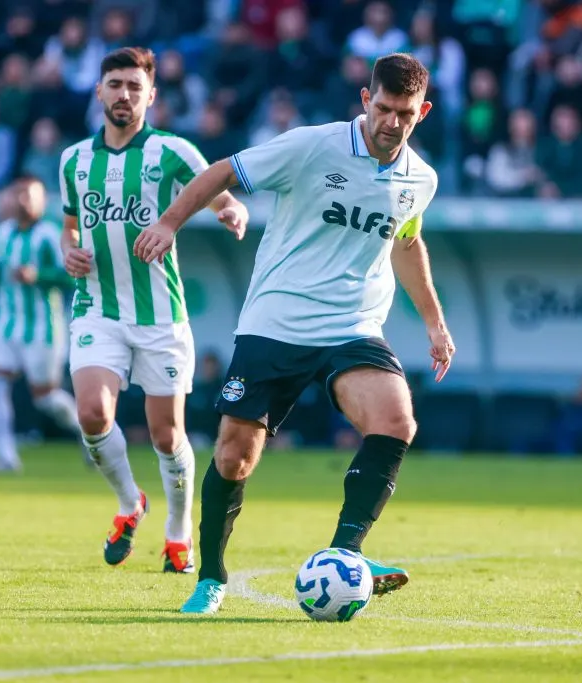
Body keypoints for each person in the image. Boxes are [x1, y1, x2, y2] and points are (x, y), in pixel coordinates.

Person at [134, 53, 454, 615]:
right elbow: (224, 172)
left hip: (353, 325)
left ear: (421, 111)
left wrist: (434, 320)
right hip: (277, 321)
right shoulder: (313, 145)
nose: (391, 123)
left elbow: (405, 242)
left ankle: (346, 555)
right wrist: (168, 222)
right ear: (365, 99)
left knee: (396, 420)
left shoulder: (420, 179)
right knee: (235, 455)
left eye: (404, 114)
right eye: (383, 109)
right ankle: (210, 577)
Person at [59, 47, 249, 575]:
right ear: (99, 91)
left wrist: (232, 210)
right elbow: (69, 226)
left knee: (167, 435)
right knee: (93, 414)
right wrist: (67, 250)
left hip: (162, 317)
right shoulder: (73, 160)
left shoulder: (173, 152)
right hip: (98, 308)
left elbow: (219, 193)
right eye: (115, 84)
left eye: (134, 87)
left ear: (151, 96)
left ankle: (177, 533)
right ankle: (128, 503)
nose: (124, 95)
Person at [0, 175, 80, 472]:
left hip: (43, 327)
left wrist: (38, 275)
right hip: (6, 323)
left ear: (42, 201)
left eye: (30, 195)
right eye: (18, 194)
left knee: (46, 398)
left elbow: (71, 276)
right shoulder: (1, 234)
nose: (23, 200)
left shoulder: (51, 235)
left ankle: (88, 435)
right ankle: (7, 456)